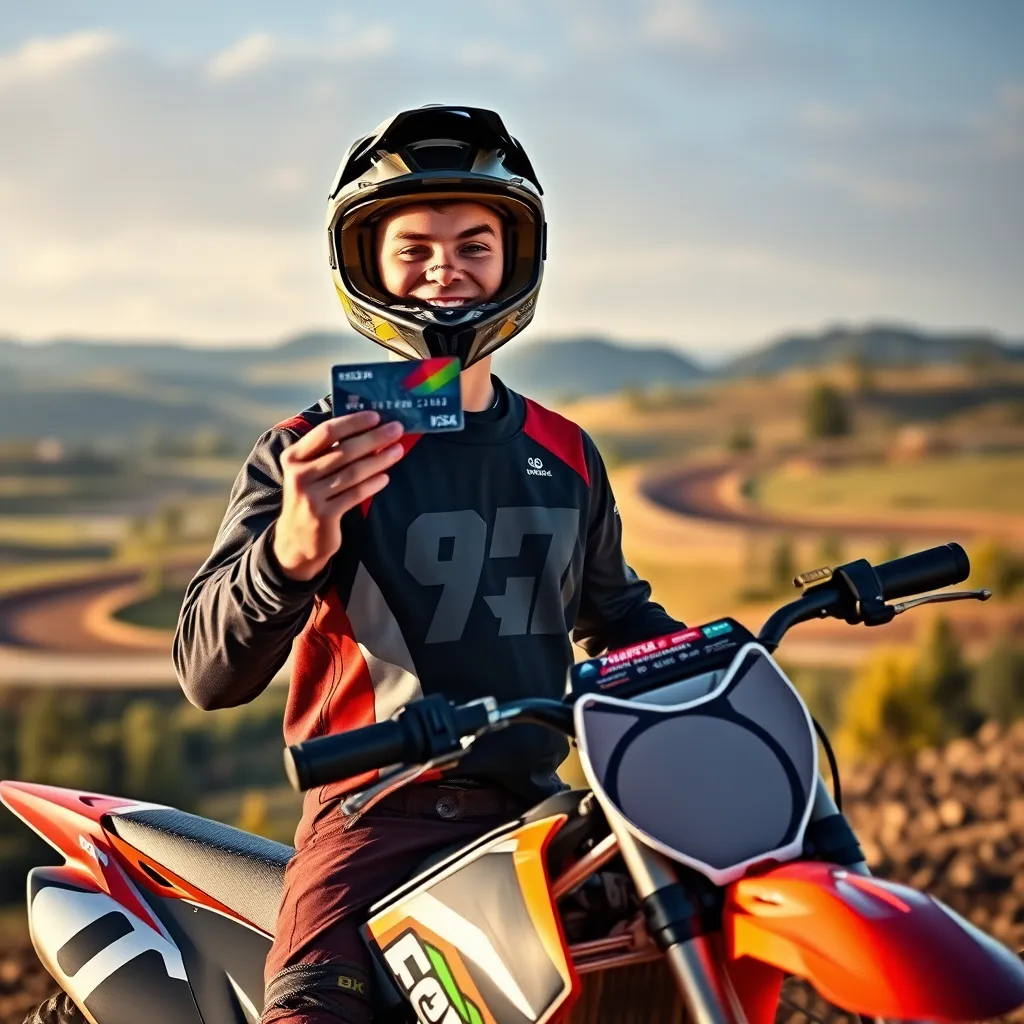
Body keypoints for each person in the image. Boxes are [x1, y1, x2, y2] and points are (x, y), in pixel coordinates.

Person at [173, 104, 685, 1024]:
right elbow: (208, 675)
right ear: (366, 266)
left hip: (538, 812)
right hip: (370, 823)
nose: (445, 266)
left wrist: (713, 666)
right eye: (413, 248)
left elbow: (615, 618)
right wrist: (292, 548)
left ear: (516, 261)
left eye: (474, 243)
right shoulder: (306, 454)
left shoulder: (566, 450)